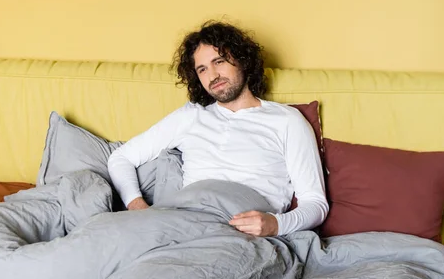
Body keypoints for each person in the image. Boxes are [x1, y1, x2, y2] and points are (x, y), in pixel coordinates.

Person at [107, 21, 328, 237]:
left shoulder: (287, 121)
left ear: (242, 61)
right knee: (100, 238)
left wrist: (277, 224)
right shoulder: (192, 115)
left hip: (238, 230)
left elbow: (315, 203)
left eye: (219, 61)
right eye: (202, 69)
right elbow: (121, 158)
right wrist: (138, 208)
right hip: (180, 221)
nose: (212, 76)